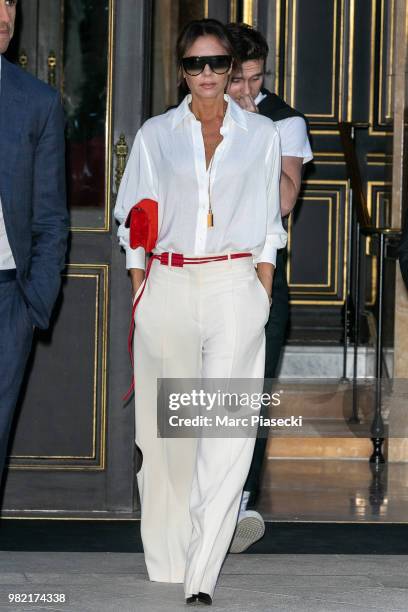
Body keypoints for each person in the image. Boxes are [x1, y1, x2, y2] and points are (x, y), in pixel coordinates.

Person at [114, 18, 287, 606]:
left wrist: (261, 288)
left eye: (218, 64)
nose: (207, 74)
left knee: (226, 428)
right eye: (196, 64)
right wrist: (143, 286)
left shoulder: (262, 134)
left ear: (232, 69)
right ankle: (169, 559)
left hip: (235, 283)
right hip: (169, 281)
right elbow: (133, 221)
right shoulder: (155, 134)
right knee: (165, 436)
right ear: (181, 70)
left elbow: (270, 224)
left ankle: (203, 572)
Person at [226, 22, 313, 553]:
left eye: (256, 79)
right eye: (239, 80)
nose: (248, 92)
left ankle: (240, 502)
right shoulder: (186, 120)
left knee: (250, 393)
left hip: (259, 277)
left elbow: (284, 201)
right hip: (198, 270)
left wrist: (256, 135)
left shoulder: (283, 121)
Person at [0, 0, 68, 482]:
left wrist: (31, 306)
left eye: (10, 2)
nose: (4, 15)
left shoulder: (36, 101)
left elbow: (50, 217)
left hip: (7, 301)